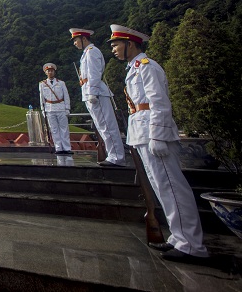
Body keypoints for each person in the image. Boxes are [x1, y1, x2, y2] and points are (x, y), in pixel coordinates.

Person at [108, 24, 209, 264]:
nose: (113, 49)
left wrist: (157, 136)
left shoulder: (147, 67)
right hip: (142, 134)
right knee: (161, 188)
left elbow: (159, 103)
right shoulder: (133, 68)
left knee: (173, 187)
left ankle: (192, 245)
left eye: (116, 44)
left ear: (130, 44)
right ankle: (179, 236)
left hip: (154, 135)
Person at [70, 28, 126, 167]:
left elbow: (94, 74)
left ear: (84, 39)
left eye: (76, 40)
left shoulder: (92, 52)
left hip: (96, 93)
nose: (75, 43)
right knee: (102, 126)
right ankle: (112, 154)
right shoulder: (86, 53)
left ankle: (117, 157)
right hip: (89, 91)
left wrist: (92, 92)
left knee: (107, 126)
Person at [38, 63, 72, 155]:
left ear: (54, 72)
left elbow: (66, 96)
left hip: (60, 107)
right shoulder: (42, 84)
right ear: (46, 72)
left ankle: (67, 148)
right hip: (49, 108)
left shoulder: (61, 83)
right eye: (48, 71)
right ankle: (58, 148)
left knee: (64, 129)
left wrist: (67, 108)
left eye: (52, 71)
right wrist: (43, 110)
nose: (50, 72)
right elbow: (42, 99)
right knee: (54, 129)